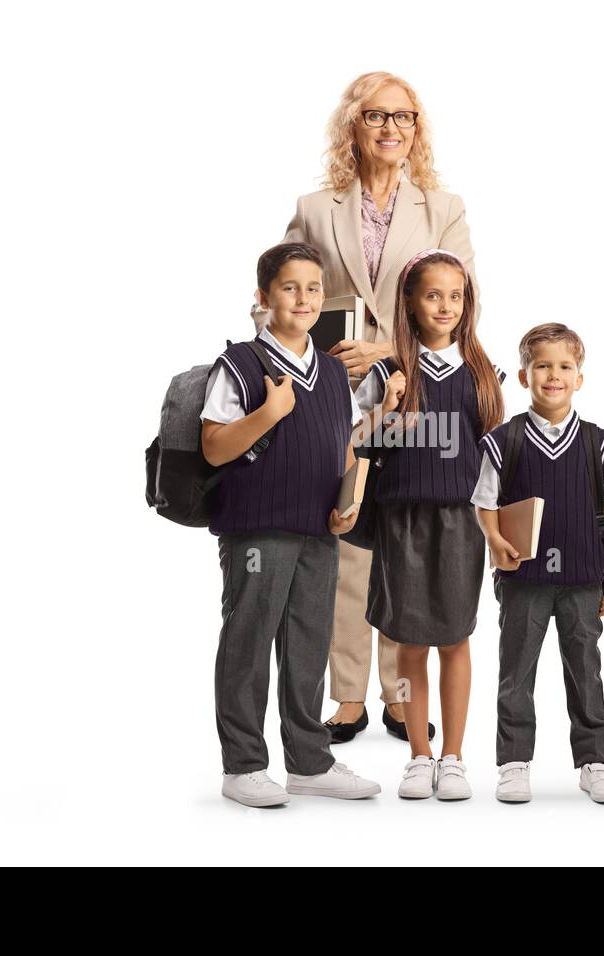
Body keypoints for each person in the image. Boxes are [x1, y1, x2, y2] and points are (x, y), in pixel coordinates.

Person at [256, 72, 483, 743]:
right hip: (335, 394)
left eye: (405, 117)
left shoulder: (442, 208)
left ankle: (399, 696)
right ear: (352, 126)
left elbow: (461, 301)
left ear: (418, 129)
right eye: (377, 116)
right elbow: (285, 292)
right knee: (347, 539)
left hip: (416, 390)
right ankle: (349, 699)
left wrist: (387, 347)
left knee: (405, 540)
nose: (392, 128)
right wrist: (310, 343)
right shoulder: (316, 206)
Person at [200, 241, 380, 807]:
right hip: (258, 527)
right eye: (289, 288)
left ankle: (308, 761)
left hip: (318, 530)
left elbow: (344, 445)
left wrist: (348, 502)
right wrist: (269, 413)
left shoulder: (330, 372)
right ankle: (243, 766)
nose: (303, 299)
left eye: (312, 289)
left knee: (307, 643)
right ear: (263, 297)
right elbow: (212, 448)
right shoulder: (241, 366)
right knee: (249, 641)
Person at [355, 249, 504, 799]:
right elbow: (355, 444)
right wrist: (390, 411)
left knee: (456, 639)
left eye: (456, 296)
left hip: (461, 522)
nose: (445, 306)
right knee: (408, 641)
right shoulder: (388, 372)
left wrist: (499, 527)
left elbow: (495, 461)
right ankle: (418, 754)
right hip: (401, 520)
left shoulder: (482, 374)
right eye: (433, 295)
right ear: (410, 304)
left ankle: (454, 756)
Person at [471, 323, 604, 805]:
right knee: (516, 669)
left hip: (584, 577)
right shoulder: (504, 442)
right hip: (525, 579)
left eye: (565, 366)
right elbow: (484, 503)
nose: (553, 375)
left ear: (579, 377)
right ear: (524, 376)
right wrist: (495, 539)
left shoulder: (597, 442)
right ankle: (513, 762)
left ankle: (595, 762)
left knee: (585, 669)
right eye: (542, 365)